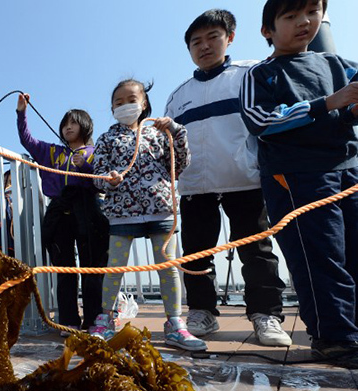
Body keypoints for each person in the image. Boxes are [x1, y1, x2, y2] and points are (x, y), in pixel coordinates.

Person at [240, 0, 358, 367]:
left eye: (310, 12)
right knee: (320, 258)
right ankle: (334, 338)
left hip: (348, 170)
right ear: (268, 31)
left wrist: (350, 110)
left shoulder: (341, 65)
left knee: (353, 253)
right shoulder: (261, 74)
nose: (303, 22)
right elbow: (260, 120)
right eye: (289, 16)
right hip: (295, 176)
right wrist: (327, 103)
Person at [164, 9, 290, 347]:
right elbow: (168, 147)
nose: (204, 46)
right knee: (195, 253)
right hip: (194, 187)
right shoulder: (177, 96)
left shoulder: (250, 74)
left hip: (245, 181)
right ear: (188, 48)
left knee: (257, 250)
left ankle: (266, 315)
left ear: (229, 37)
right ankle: (202, 312)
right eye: (196, 42)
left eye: (212, 37)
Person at [92, 79, 206, 351]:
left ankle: (175, 324)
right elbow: (96, 175)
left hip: (162, 209)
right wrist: (108, 180)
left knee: (168, 269)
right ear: (111, 108)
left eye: (131, 99)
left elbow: (179, 165)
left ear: (144, 104)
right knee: (114, 269)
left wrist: (178, 132)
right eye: (118, 103)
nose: (125, 105)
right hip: (121, 213)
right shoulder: (106, 138)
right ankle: (106, 319)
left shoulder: (159, 133)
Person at [16, 94, 109, 332]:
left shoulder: (96, 151)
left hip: (88, 208)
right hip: (59, 209)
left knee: (91, 266)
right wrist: (21, 113)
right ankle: (68, 321)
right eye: (65, 123)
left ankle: (92, 320)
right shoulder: (52, 151)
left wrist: (85, 167)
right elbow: (27, 140)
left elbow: (102, 182)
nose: (68, 127)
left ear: (85, 126)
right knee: (64, 268)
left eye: (73, 122)